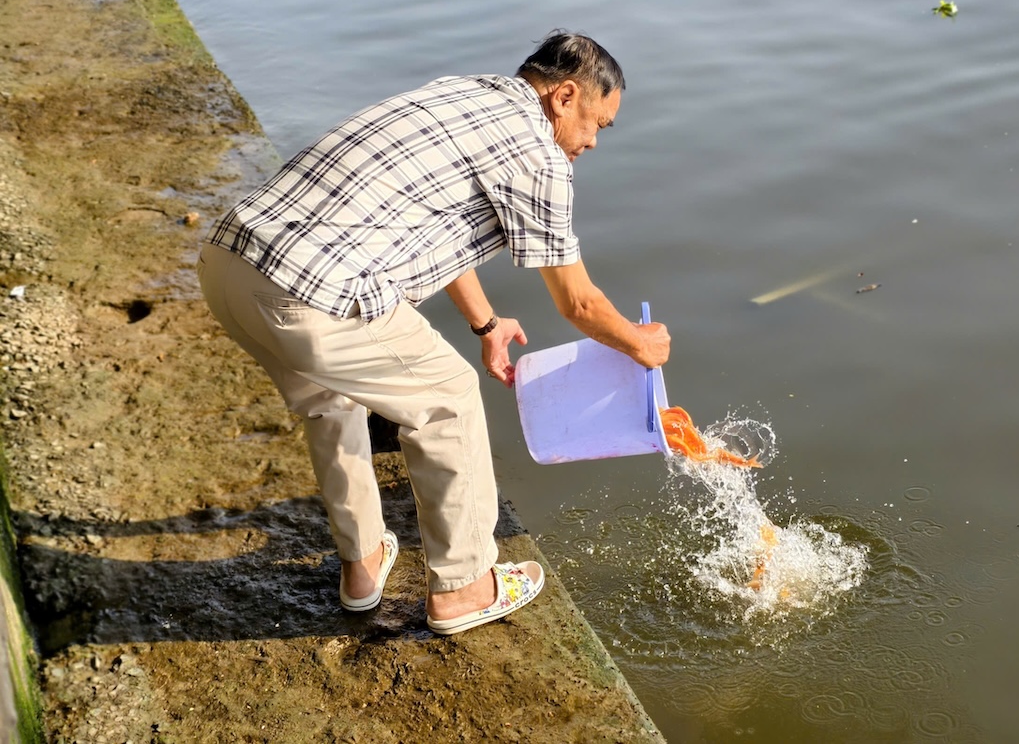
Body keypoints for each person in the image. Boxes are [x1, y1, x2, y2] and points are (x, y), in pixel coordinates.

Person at [197, 31, 670, 635]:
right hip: (316, 294)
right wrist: (640, 342)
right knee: (447, 397)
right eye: (597, 123)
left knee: (331, 398)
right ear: (565, 95)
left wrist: (488, 322)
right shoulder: (540, 154)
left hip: (230, 262)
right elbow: (578, 302)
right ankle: (465, 587)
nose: (592, 141)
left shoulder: (462, 93)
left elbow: (432, 226)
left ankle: (363, 564)